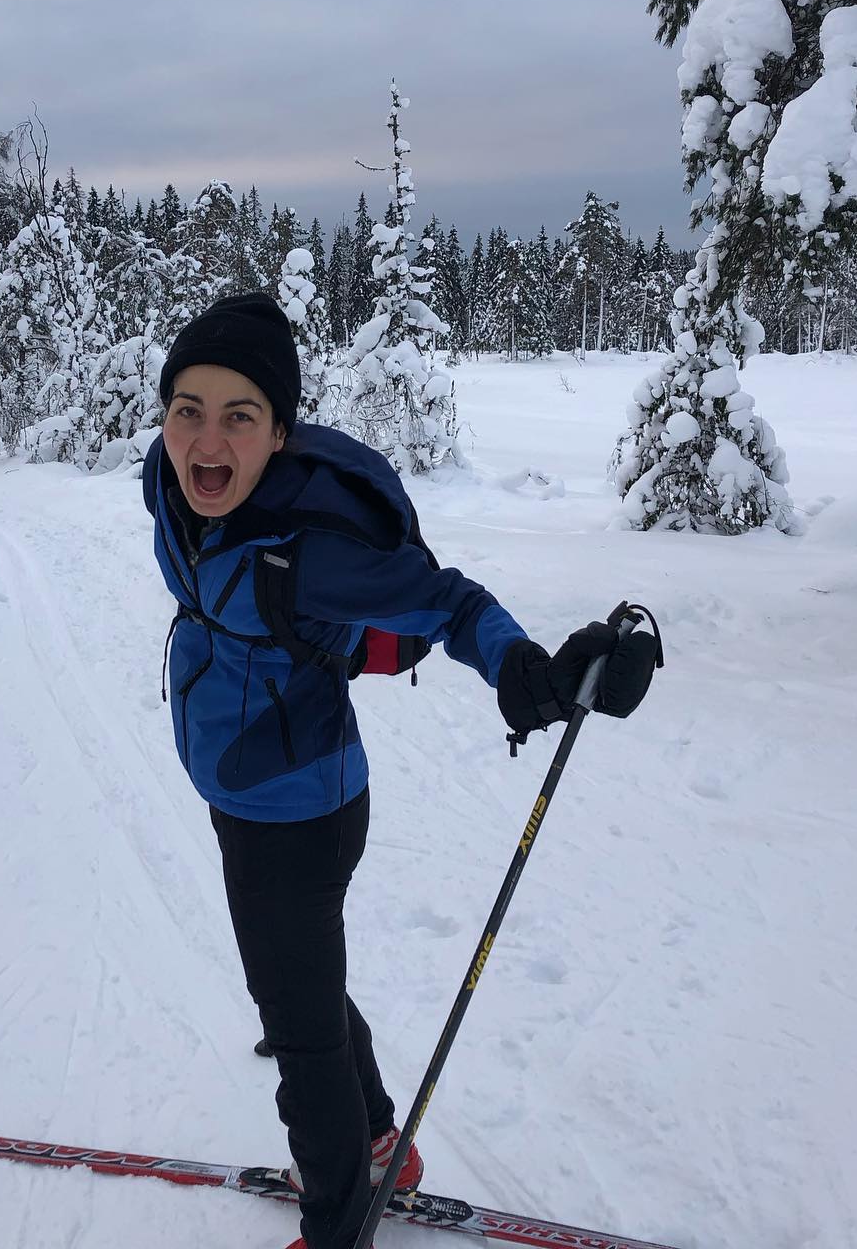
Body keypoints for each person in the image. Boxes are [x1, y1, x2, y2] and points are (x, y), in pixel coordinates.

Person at [141, 294, 657, 1249]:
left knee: (301, 1038)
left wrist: (524, 671)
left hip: (300, 811)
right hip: (242, 791)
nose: (205, 440)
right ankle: (381, 1138)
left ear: (280, 432)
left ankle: (338, 1221)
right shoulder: (175, 487)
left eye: (239, 416)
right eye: (187, 409)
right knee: (301, 987)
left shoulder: (311, 557)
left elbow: (454, 605)